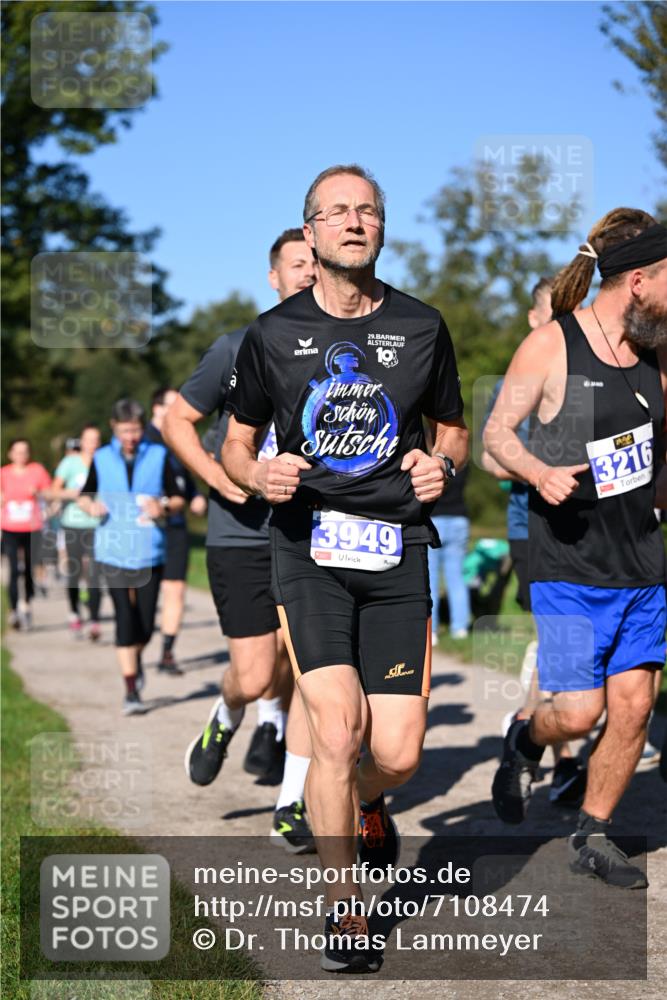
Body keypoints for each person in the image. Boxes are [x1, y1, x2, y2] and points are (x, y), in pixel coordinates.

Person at [222, 164, 468, 972]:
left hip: (396, 549)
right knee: (337, 729)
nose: (353, 222)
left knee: (394, 753)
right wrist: (260, 475)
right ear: (310, 232)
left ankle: (358, 805)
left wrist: (441, 467)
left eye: (366, 211)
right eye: (336, 212)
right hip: (308, 550)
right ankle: (344, 911)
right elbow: (236, 441)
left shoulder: (424, 326)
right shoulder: (271, 334)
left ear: (381, 229)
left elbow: (453, 432)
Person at [484, 210, 667, 889]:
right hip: (566, 564)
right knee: (579, 711)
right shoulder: (553, 346)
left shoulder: (659, 351)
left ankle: (592, 832)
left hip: (642, 565)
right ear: (640, 281)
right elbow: (495, 437)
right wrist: (536, 470)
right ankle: (526, 738)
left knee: (633, 708)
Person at [163, 228, 318, 852]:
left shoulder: (342, 349)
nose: (308, 273)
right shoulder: (236, 346)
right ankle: (228, 717)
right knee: (255, 674)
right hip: (242, 534)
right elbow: (177, 420)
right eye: (296, 265)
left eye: (315, 263)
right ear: (274, 278)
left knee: (311, 669)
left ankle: (290, 803)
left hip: (311, 531)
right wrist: (217, 480)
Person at [482, 278, 586, 807]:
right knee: (560, 637)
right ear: (533, 318)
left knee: (569, 641)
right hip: (533, 526)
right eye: (557, 312)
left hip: (595, 530)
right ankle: (561, 754)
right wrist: (542, 473)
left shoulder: (597, 375)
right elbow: (489, 455)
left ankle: (528, 725)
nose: (569, 322)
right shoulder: (523, 373)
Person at [78, 399, 185, 715]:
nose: (131, 437)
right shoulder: (101, 458)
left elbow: (179, 497)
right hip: (111, 549)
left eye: (136, 430)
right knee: (124, 618)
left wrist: (163, 507)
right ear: (114, 427)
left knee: (146, 626)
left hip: (149, 551)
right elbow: (85, 494)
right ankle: (130, 690)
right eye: (125, 431)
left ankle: (136, 658)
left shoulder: (159, 455)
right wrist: (91, 506)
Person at [145, 388, 207, 674]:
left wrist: (194, 495)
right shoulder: (142, 440)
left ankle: (167, 652)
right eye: (172, 405)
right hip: (146, 529)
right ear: (157, 408)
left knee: (176, 591)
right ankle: (134, 646)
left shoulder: (179, 439)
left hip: (177, 527)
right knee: (143, 595)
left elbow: (184, 477)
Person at [51, 425, 104, 640]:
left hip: (98, 524)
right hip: (72, 523)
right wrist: (74, 494)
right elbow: (55, 490)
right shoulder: (70, 463)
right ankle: (74, 612)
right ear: (81, 442)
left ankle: (94, 620)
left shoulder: (105, 462)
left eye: (96, 440)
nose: (92, 444)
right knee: (73, 572)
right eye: (88, 440)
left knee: (95, 574)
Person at [1, 438, 51, 630]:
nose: (21, 455)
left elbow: (50, 492)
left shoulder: (37, 470)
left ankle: (27, 604)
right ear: (10, 454)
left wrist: (38, 492)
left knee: (30, 570)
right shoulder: (3, 473)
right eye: (17, 451)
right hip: (10, 527)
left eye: (25, 451)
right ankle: (14, 610)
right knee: (13, 570)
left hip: (32, 527)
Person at [428, 463, 470, 641]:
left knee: (430, 580)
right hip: (458, 519)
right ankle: (460, 629)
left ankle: (432, 630)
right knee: (457, 578)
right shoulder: (461, 462)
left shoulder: (429, 461)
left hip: (433, 519)